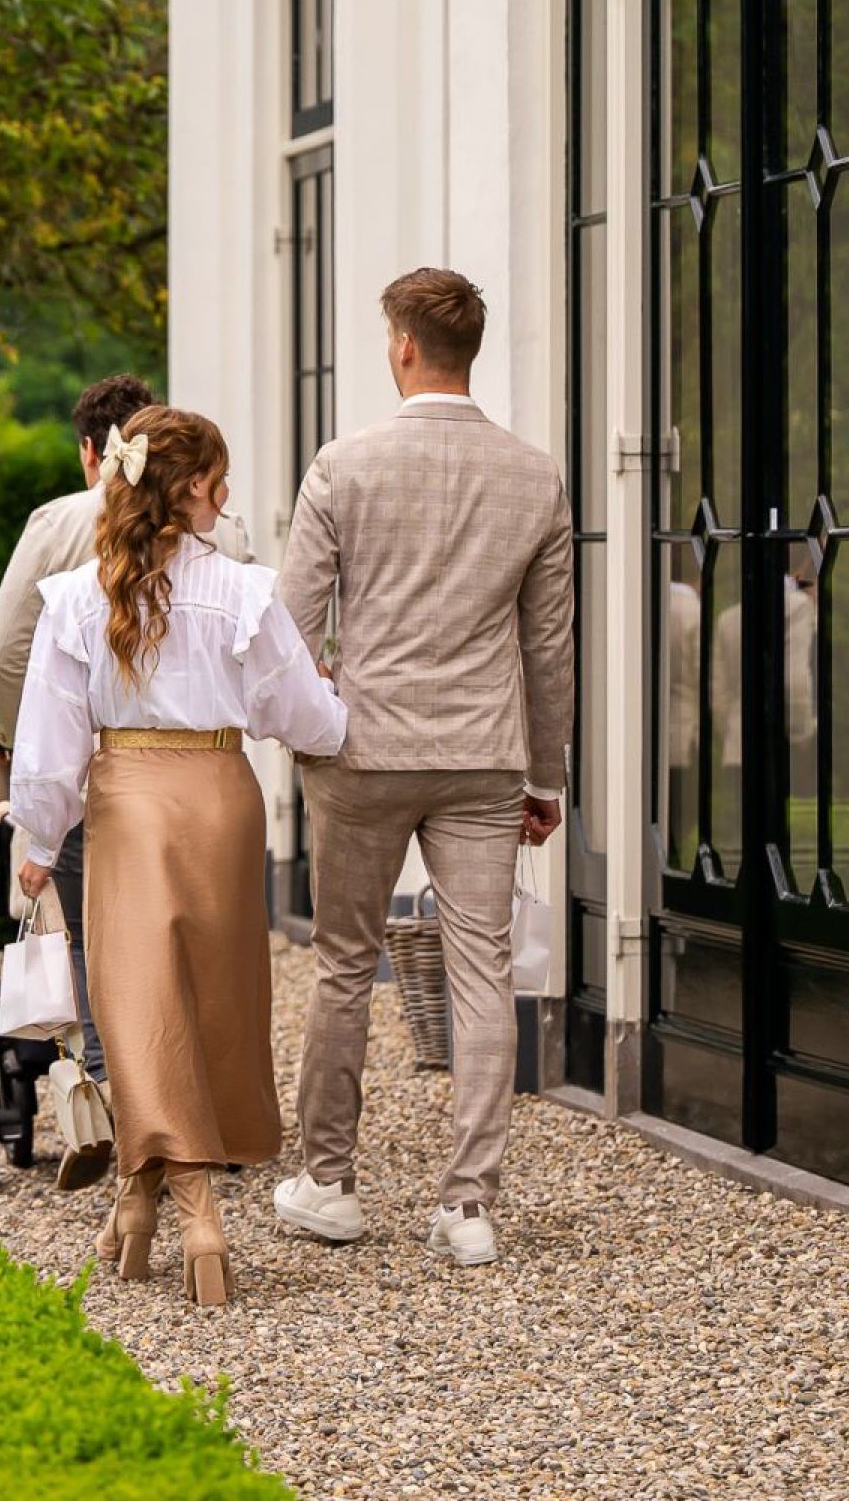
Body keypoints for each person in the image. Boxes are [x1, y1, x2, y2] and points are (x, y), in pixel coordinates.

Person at [8, 406, 347, 1309]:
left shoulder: (78, 600)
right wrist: (345, 712)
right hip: (223, 796)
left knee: (137, 1003)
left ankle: (190, 1208)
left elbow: (47, 746)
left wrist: (38, 841)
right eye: (218, 478)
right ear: (189, 489)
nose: (226, 494)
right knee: (212, 998)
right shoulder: (243, 591)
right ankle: (146, 1200)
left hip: (127, 802)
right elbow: (305, 717)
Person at [273, 267, 574, 1270]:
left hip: (363, 750)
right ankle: (469, 1207)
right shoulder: (534, 476)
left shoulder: (342, 467)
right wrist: (548, 775)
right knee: (482, 969)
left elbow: (290, 626)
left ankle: (326, 1185)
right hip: (484, 756)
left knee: (345, 964)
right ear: (468, 349)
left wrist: (314, 718)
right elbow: (550, 649)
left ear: (403, 346)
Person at [0, 374, 254, 1182]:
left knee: (100, 937)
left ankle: (112, 1096)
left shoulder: (60, 522)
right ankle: (196, 1110)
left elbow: (2, 651)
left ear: (93, 452)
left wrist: (20, 736)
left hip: (101, 770)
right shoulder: (222, 538)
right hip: (208, 775)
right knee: (196, 932)